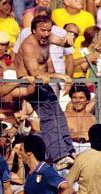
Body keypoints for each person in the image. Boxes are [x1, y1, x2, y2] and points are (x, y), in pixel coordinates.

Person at [15, 15, 74, 167]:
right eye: (43, 30)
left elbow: (63, 43)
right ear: (34, 30)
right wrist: (60, 75)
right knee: (48, 118)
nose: (46, 34)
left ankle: (68, 150)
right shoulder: (28, 45)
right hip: (30, 84)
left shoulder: (47, 37)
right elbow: (35, 73)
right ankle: (59, 156)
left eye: (48, 30)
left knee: (58, 115)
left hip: (44, 83)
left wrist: (69, 37)